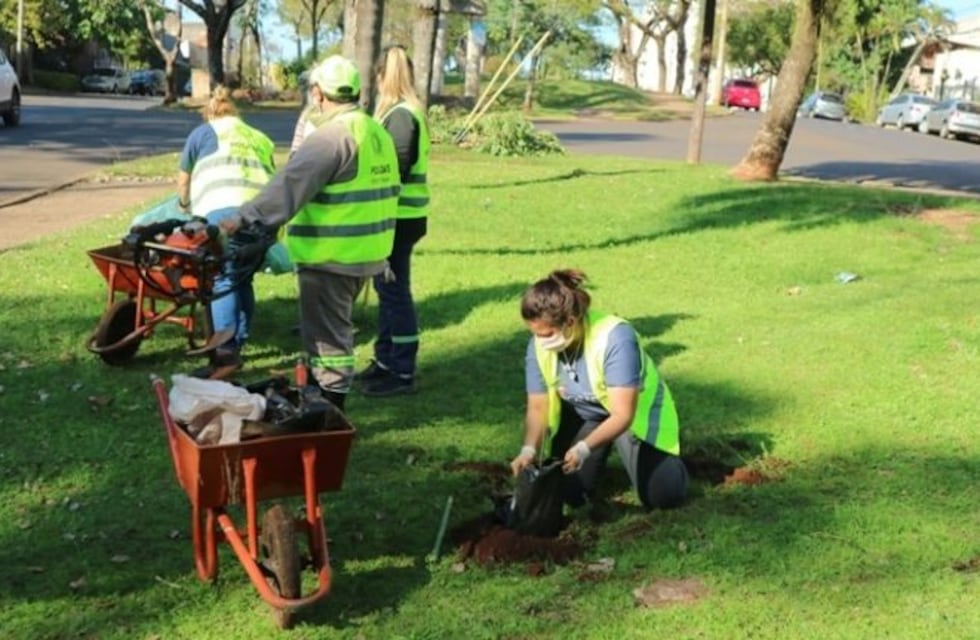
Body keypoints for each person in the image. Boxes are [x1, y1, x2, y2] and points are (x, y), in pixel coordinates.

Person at [222, 55, 400, 411]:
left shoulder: (331, 137)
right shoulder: (375, 130)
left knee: (328, 343)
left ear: (319, 94)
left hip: (330, 258)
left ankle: (328, 416)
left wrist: (242, 218)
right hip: (367, 254)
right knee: (338, 334)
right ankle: (323, 405)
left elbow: (289, 184)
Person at [510, 269, 688, 510]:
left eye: (546, 334)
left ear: (570, 322)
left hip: (631, 416)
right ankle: (599, 459)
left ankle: (663, 462)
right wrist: (529, 449)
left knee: (664, 496)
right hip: (587, 414)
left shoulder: (615, 338)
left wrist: (584, 448)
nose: (539, 342)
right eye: (534, 334)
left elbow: (623, 414)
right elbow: (538, 406)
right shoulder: (539, 344)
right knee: (565, 494)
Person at [176, 85, 275, 379]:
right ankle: (238, 342)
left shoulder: (202, 133)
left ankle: (226, 352)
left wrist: (185, 204)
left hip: (223, 214)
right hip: (263, 216)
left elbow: (183, 180)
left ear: (210, 113)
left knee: (222, 278)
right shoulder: (260, 137)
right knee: (244, 276)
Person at [355, 45, 431, 397]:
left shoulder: (401, 116)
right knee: (388, 290)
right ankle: (385, 359)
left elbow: (395, 169)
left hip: (399, 217)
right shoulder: (402, 113)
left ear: (384, 76)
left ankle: (402, 368)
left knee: (395, 292)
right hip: (401, 216)